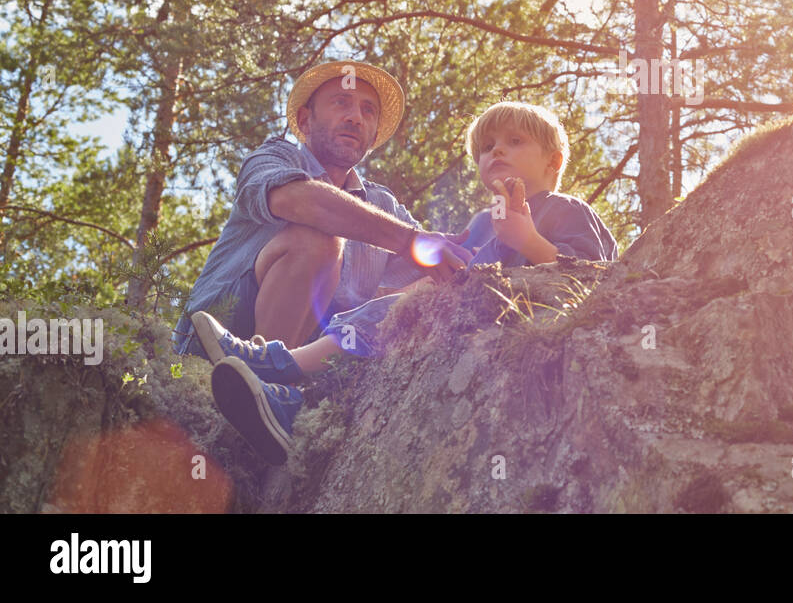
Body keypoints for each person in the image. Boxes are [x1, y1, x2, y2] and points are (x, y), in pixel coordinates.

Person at [196, 99, 617, 464]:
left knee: (401, 306)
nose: (498, 151)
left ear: (554, 161)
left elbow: (593, 278)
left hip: (520, 323)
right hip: (470, 326)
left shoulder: (564, 208)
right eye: (487, 147)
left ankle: (278, 365)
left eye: (515, 141)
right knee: (391, 314)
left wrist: (527, 239)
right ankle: (290, 402)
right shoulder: (481, 224)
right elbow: (449, 273)